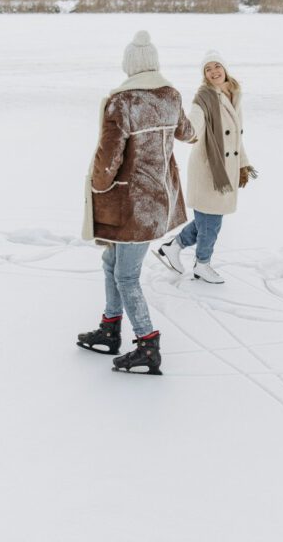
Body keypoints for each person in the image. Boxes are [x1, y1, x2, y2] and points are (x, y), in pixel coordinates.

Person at [77, 30, 196, 375]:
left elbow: (107, 159)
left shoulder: (122, 102)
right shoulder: (170, 96)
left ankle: (147, 343)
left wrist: (97, 186)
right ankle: (110, 327)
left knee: (126, 276)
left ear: (130, 66)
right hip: (158, 201)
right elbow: (187, 132)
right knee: (110, 263)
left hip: (129, 206)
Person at [155, 50, 256, 284]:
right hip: (208, 169)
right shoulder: (204, 98)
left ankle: (174, 246)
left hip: (225, 168)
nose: (213, 72)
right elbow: (194, 125)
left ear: (225, 68)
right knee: (211, 223)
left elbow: (236, 139)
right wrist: (182, 128)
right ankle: (202, 264)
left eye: (216, 66)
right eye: (208, 69)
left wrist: (243, 164)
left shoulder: (233, 94)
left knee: (207, 221)